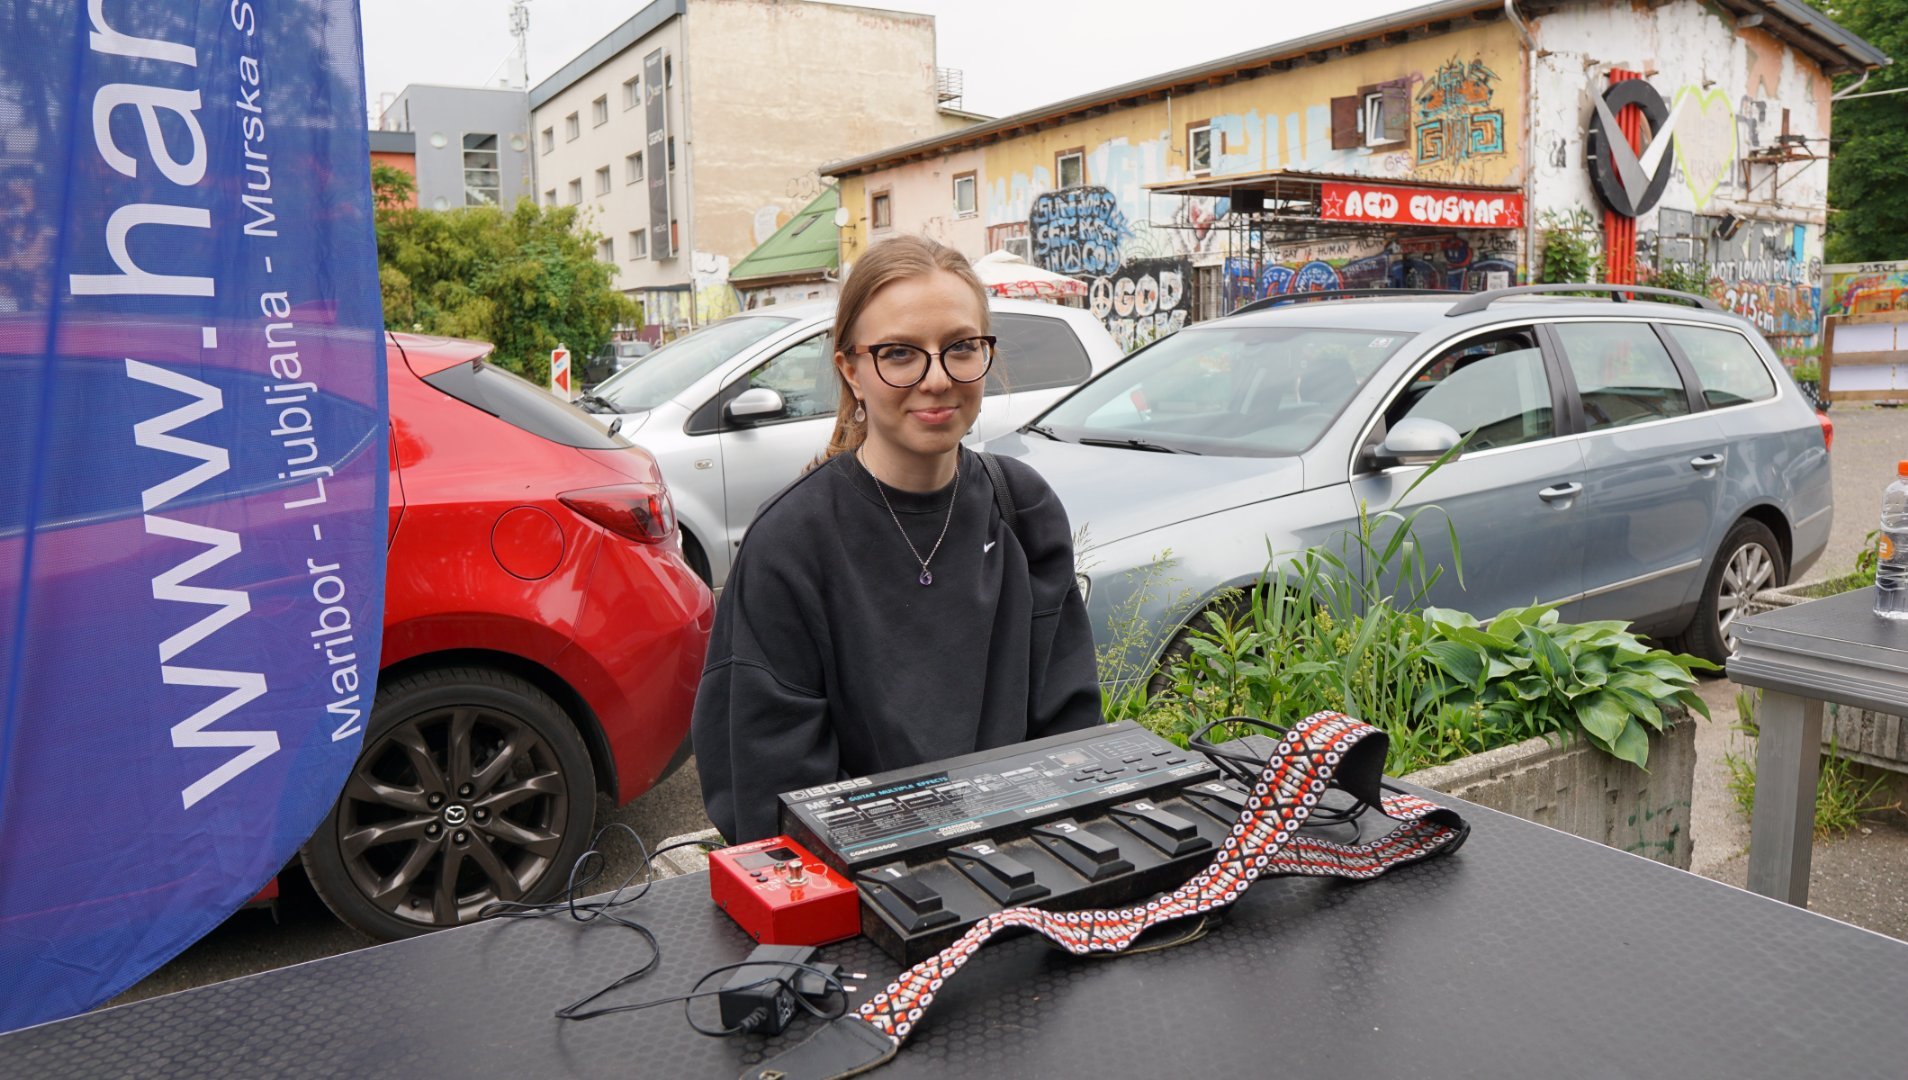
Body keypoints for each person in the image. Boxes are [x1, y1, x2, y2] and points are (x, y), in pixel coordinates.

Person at [691, 235, 1103, 842]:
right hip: (862, 886)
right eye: (900, 354)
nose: (937, 379)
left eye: (960, 347)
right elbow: (767, 795)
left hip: (1025, 866)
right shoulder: (789, 547)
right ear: (851, 371)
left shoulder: (1024, 510)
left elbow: (1070, 733)